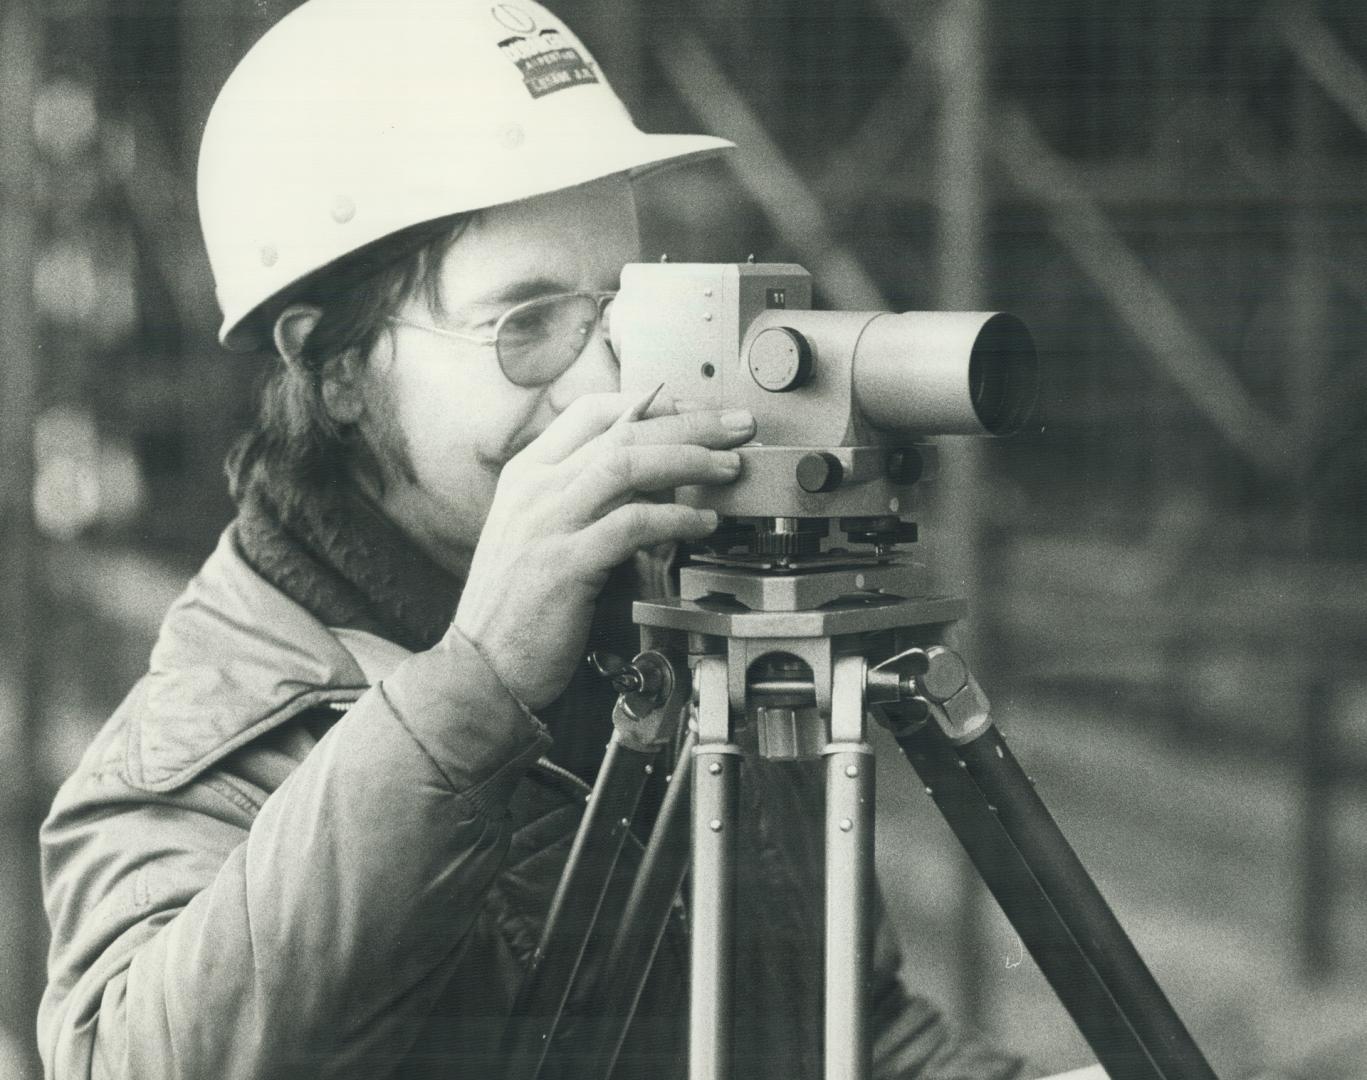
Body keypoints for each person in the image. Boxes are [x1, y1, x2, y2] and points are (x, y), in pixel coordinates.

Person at [37, 2, 1027, 1078]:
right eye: (524, 325)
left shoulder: (691, 629)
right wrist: (474, 687)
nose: (601, 380)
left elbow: (843, 1033)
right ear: (332, 369)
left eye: (620, 311)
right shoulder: (210, 739)